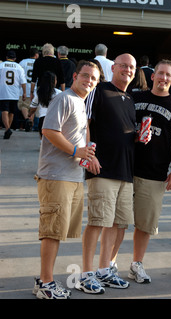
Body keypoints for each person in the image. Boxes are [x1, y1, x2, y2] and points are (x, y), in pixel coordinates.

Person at [33, 60, 99, 299]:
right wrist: (75, 151)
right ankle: (46, 283)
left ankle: (46, 280)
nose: (89, 80)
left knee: (57, 231)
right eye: (85, 76)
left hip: (72, 176)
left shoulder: (80, 102)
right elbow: (49, 131)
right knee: (51, 232)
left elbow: (81, 134)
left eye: (93, 78)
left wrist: (88, 155)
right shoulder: (64, 99)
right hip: (55, 175)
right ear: (75, 76)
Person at [125, 59, 171, 283]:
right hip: (125, 169)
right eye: (160, 73)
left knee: (145, 224)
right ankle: (108, 265)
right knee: (116, 222)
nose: (163, 78)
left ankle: (137, 264)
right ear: (153, 76)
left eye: (168, 75)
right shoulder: (135, 97)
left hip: (154, 173)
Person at [76, 53, 137, 294]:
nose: (127, 70)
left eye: (131, 67)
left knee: (117, 224)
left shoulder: (130, 98)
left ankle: (104, 270)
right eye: (123, 66)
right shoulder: (98, 91)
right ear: (113, 68)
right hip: (102, 169)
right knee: (97, 222)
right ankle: (86, 273)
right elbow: (85, 123)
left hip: (125, 171)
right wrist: (89, 157)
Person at [0, 50, 27, 139]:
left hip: (3, 91)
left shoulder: (1, 65)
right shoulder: (19, 67)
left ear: (6, 57)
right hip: (15, 92)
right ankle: (8, 128)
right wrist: (24, 92)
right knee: (11, 112)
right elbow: (23, 82)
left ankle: (7, 129)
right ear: (15, 58)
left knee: (4, 110)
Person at [28, 71, 61, 138]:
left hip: (43, 120)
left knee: (43, 141)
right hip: (55, 120)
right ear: (54, 81)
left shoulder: (39, 92)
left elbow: (33, 107)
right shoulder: (59, 93)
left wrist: (29, 114)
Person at [19, 48, 39, 131]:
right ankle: (30, 123)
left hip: (25, 88)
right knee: (33, 107)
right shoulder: (38, 62)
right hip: (35, 88)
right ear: (36, 54)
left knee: (24, 106)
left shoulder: (23, 62)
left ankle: (27, 120)